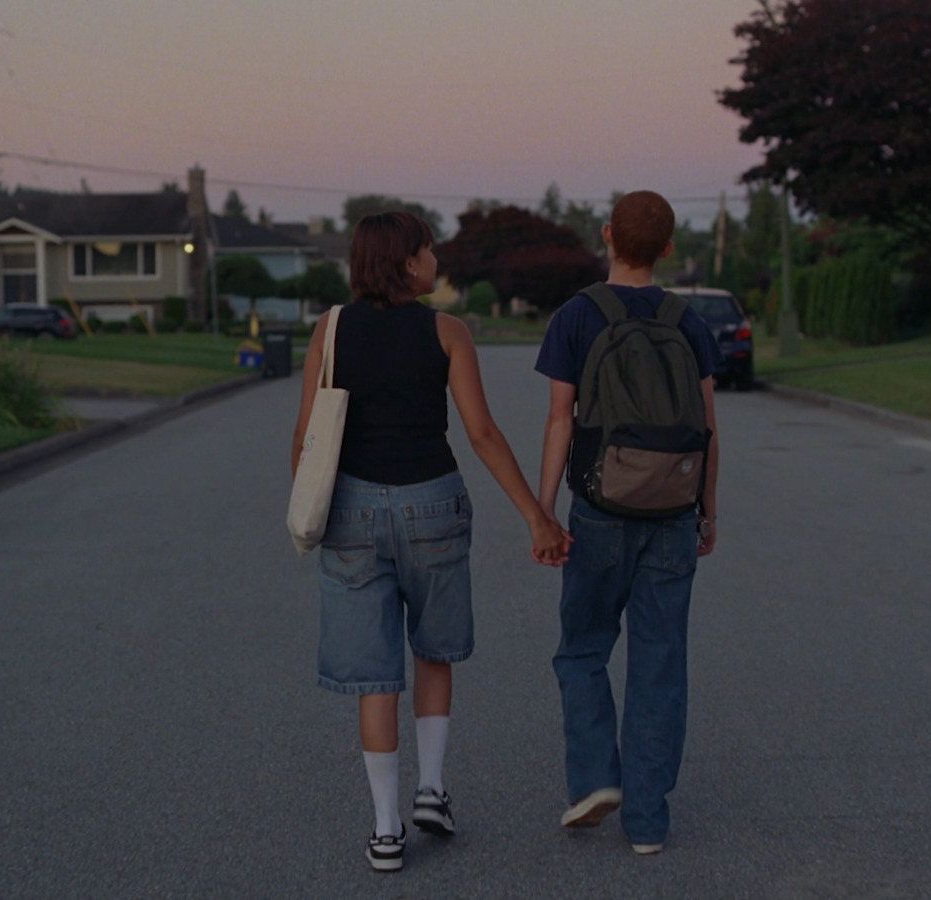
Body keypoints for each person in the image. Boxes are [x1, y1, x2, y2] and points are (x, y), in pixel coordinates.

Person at [291, 211, 572, 873]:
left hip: (352, 507)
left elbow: (306, 433)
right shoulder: (448, 331)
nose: (435, 262)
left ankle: (387, 830)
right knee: (433, 650)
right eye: (427, 251)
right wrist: (537, 515)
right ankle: (431, 790)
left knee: (374, 674)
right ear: (404, 261)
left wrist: (314, 509)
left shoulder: (328, 331)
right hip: (433, 503)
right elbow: (481, 433)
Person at [533, 190, 722, 856]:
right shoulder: (689, 321)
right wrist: (708, 508)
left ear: (608, 235)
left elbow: (560, 419)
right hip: (672, 513)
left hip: (598, 511)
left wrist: (543, 510)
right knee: (660, 663)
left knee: (582, 649)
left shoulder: (578, 317)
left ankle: (593, 779)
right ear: (668, 247)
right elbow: (706, 428)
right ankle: (647, 822)